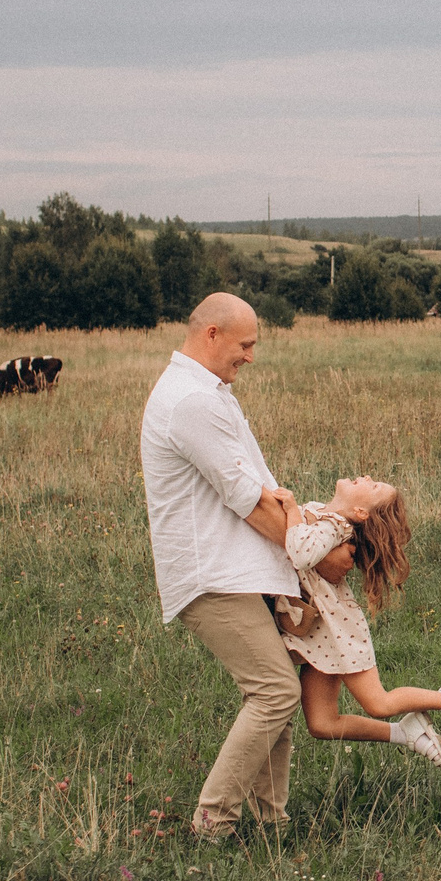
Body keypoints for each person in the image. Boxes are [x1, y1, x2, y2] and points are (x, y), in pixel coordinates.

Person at [142, 292, 338, 841]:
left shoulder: (206, 392)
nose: (251, 357)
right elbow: (250, 500)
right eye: (245, 345)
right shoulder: (191, 401)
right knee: (275, 692)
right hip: (213, 576)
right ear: (212, 335)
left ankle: (272, 827)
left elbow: (263, 493)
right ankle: (213, 823)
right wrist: (313, 553)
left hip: (233, 571)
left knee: (277, 695)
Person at [268, 476, 441, 762]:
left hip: (337, 629)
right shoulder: (316, 510)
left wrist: (290, 511)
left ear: (361, 513)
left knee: (378, 702)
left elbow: (301, 554)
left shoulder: (336, 526)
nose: (366, 478)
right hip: (316, 634)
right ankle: (405, 733)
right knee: (321, 724)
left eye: (373, 486)